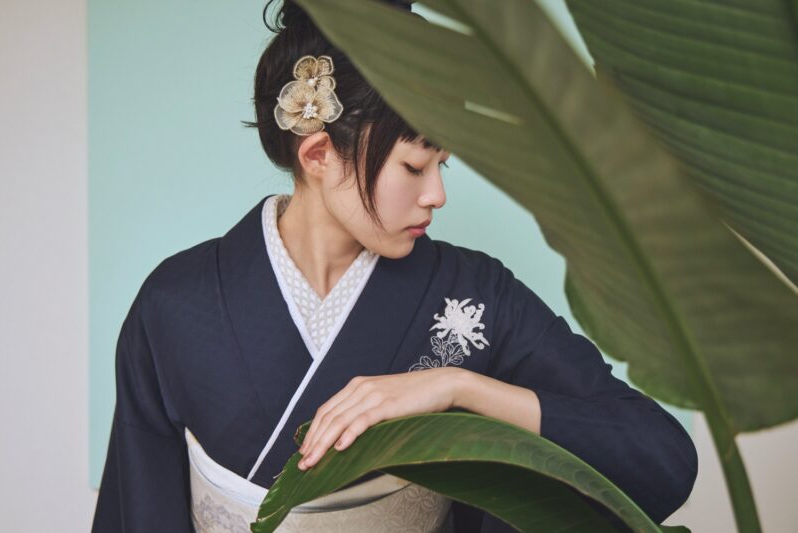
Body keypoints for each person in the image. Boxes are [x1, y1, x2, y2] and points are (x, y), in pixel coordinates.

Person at [91, 1, 698, 531]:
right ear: (319, 154)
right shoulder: (175, 305)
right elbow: (138, 511)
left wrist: (460, 389)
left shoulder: (476, 296)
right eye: (413, 167)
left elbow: (661, 459)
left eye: (442, 165)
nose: (437, 195)